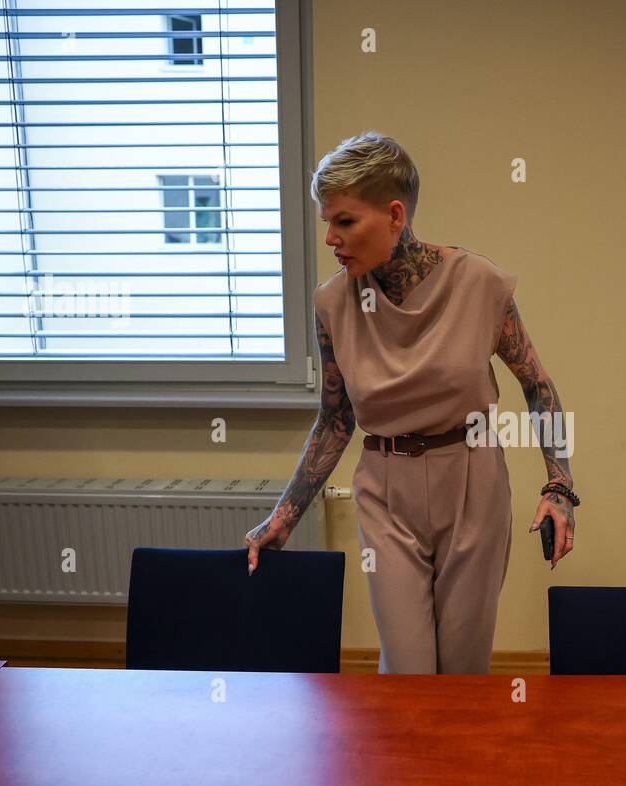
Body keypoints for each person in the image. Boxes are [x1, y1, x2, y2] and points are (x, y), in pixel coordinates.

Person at [244, 131, 578, 674]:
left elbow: (538, 386)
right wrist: (284, 515)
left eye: (345, 221)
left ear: (395, 215)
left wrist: (559, 486)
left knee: (463, 668)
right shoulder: (333, 303)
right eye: (326, 222)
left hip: (472, 481)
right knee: (408, 667)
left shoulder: (478, 283)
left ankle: (454, 760)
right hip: (386, 486)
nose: (331, 238)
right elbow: (334, 420)